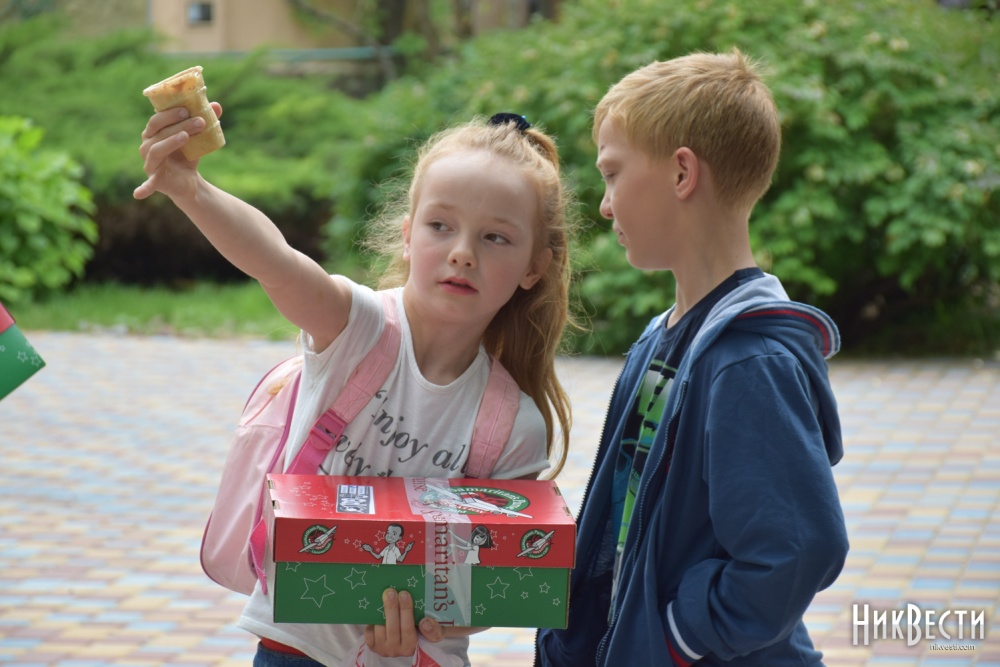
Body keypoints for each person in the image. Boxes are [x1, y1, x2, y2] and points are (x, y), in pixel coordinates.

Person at [135, 108, 576, 666]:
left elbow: (499, 578)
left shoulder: (514, 423)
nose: (463, 252)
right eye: (440, 226)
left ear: (534, 267)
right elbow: (274, 262)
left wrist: (426, 622)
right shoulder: (357, 328)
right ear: (408, 235)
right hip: (295, 646)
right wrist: (190, 190)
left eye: (496, 237)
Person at [535, 48, 849, 666]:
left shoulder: (749, 360)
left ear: (682, 173)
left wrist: (678, 638)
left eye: (613, 173)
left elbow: (795, 550)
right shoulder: (663, 338)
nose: (604, 204)